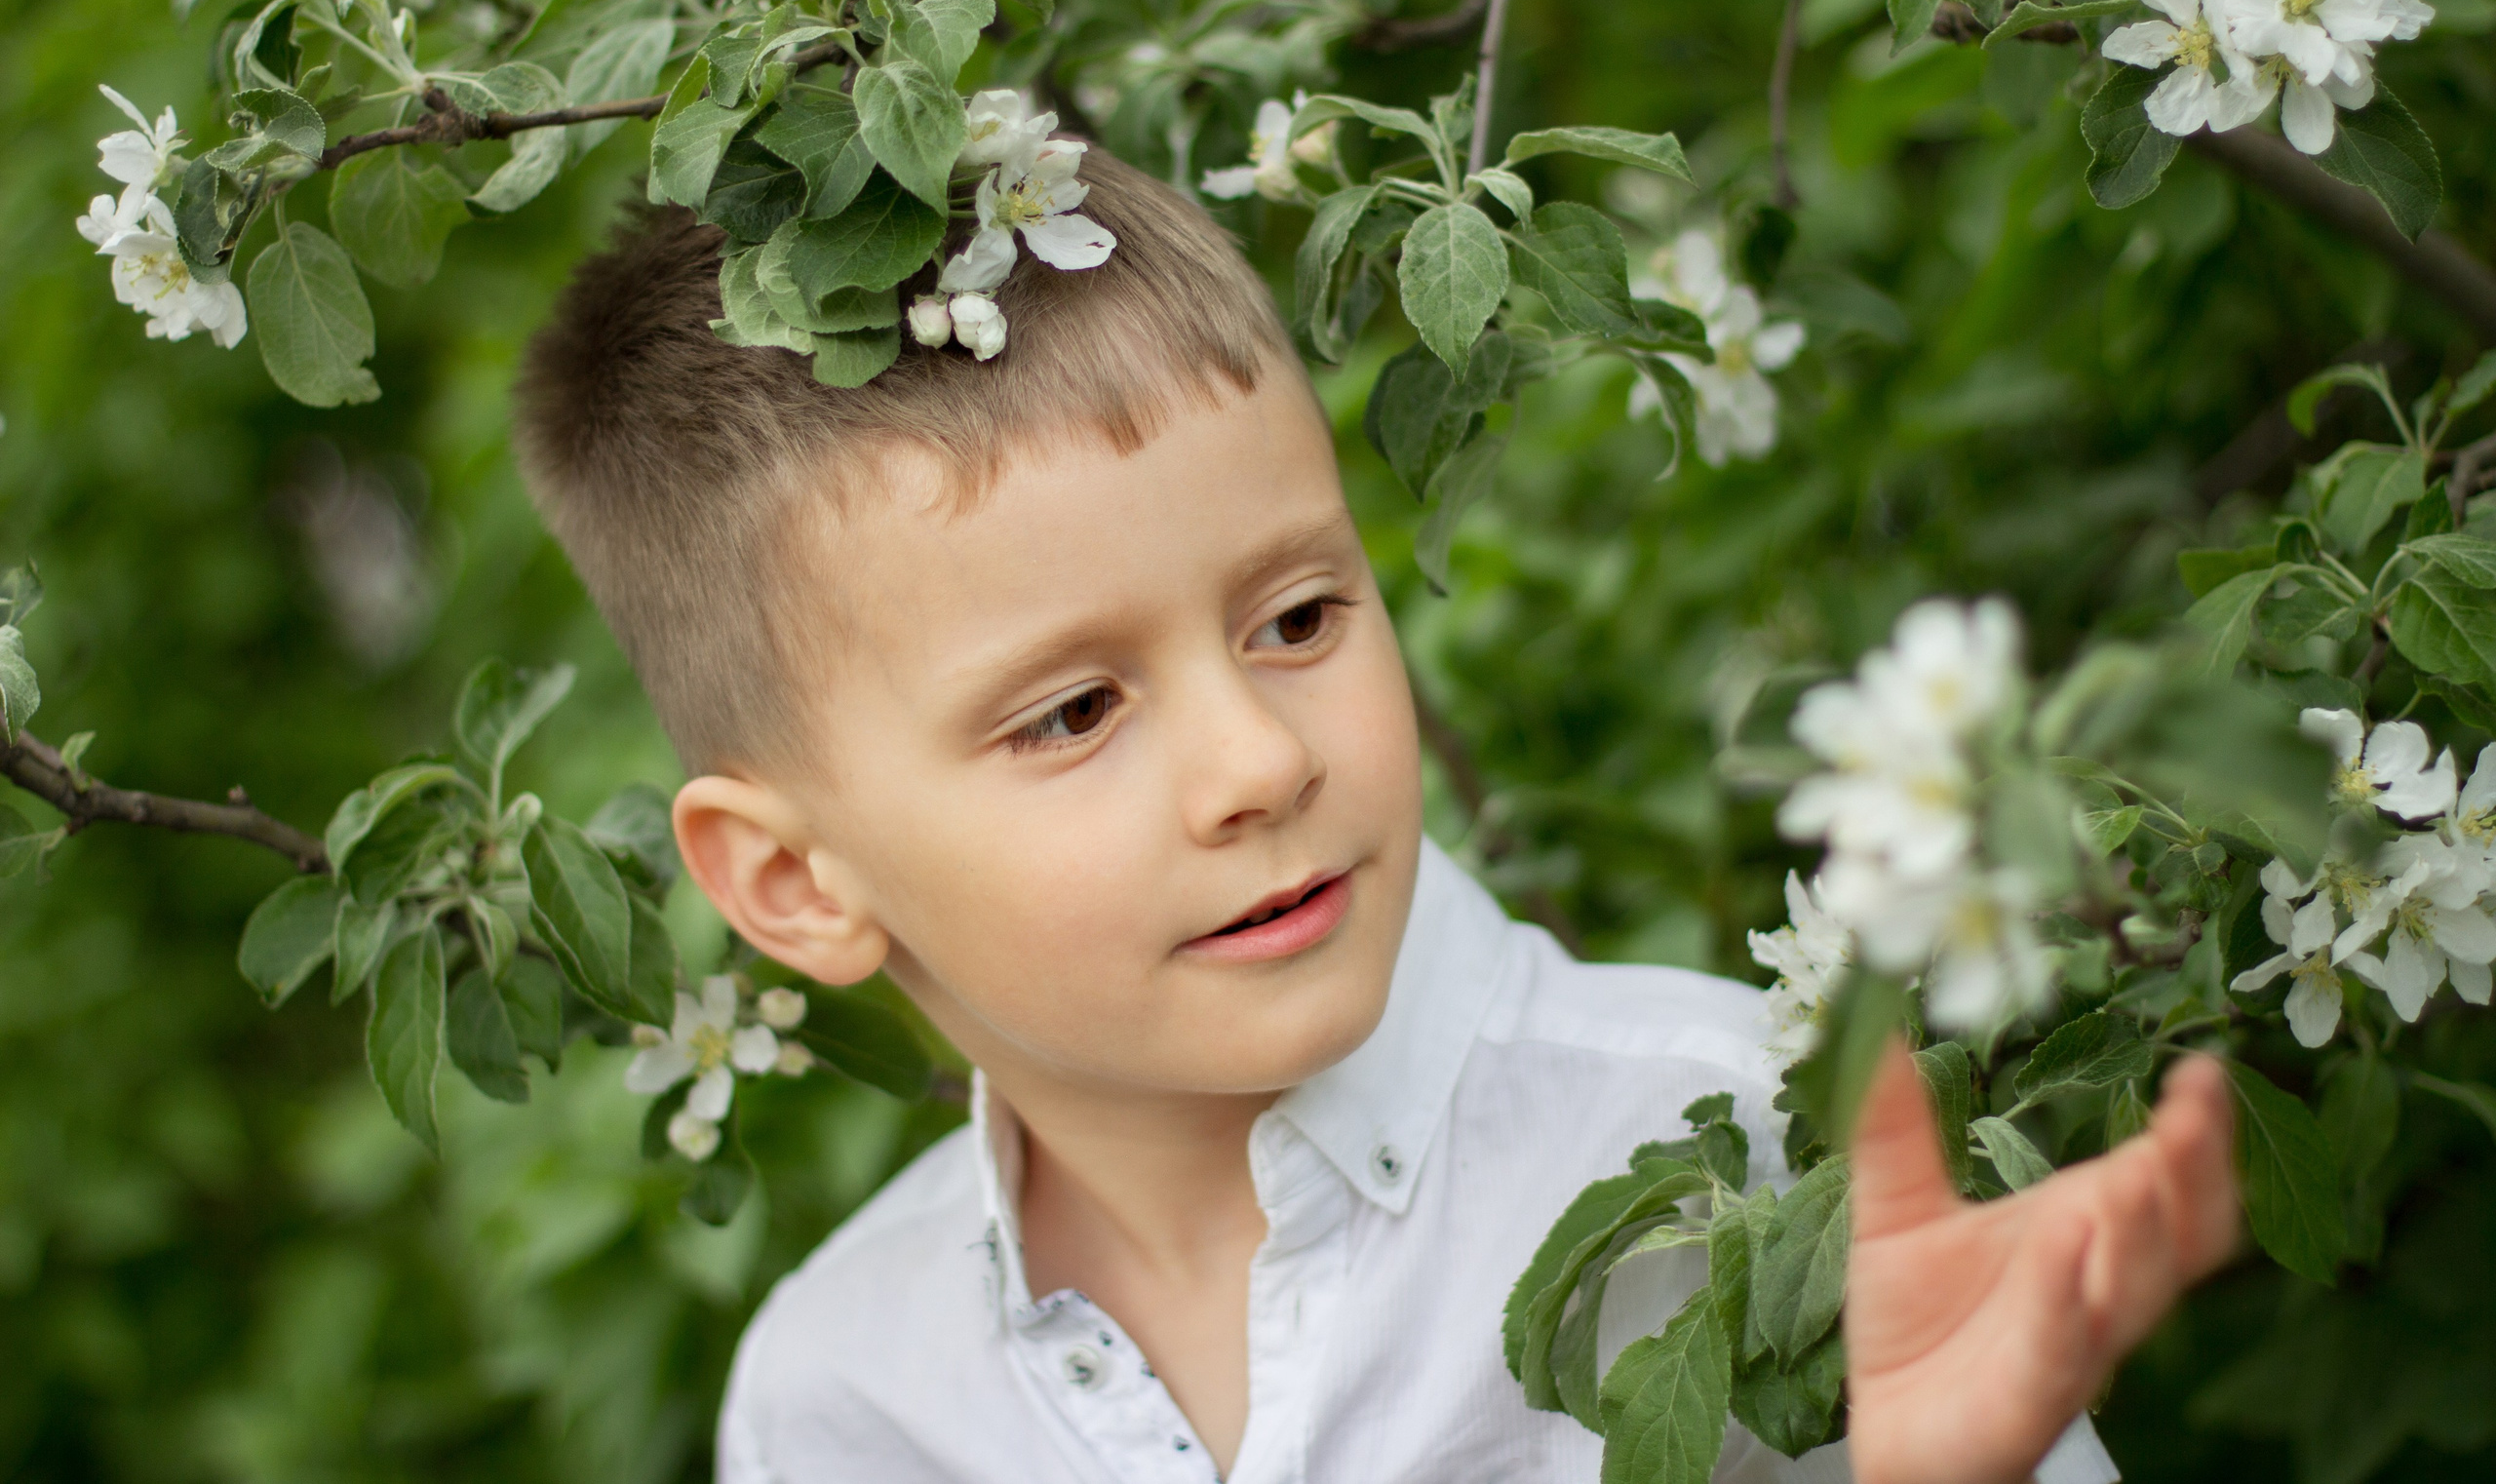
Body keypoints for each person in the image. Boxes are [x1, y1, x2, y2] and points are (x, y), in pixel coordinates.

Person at [512, 141, 2240, 1484]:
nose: (1261, 765)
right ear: (796, 884)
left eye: (1297, 618)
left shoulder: (1732, 1162)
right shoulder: (844, 1403)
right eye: (1075, 711)